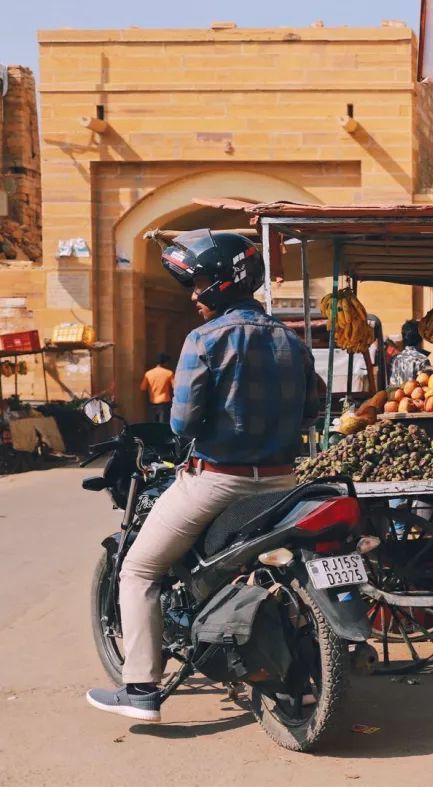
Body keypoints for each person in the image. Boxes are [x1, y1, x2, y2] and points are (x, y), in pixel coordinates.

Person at [86, 229, 320, 722]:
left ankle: (140, 687)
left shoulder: (205, 339)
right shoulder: (292, 341)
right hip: (282, 483)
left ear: (220, 285)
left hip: (216, 481)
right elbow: (313, 410)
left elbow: (182, 422)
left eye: (198, 285)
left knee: (140, 569)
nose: (192, 296)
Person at [388, 319, 430, 387]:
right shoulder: (422, 360)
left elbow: (392, 384)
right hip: (414, 396)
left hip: (396, 396)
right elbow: (425, 385)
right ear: (421, 338)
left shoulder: (395, 359)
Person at [140, 353, 175, 424]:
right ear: (165, 362)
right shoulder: (169, 373)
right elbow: (175, 387)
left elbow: (143, 388)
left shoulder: (148, 373)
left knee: (153, 424)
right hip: (164, 402)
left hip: (152, 402)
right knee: (163, 424)